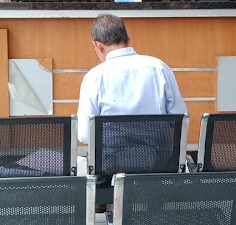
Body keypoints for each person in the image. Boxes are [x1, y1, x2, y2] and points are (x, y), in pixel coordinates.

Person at [77, 13, 186, 144]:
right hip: (158, 155)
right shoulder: (159, 68)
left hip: (111, 156)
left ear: (98, 45)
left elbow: (85, 135)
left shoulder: (93, 77)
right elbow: (180, 118)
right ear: (128, 41)